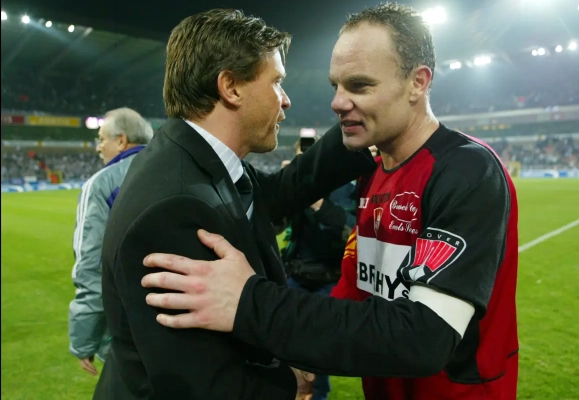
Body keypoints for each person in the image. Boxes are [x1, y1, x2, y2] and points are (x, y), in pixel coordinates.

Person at [139, 3, 520, 400]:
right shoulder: (374, 168)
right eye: (335, 85)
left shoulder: (468, 171)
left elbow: (425, 339)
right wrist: (299, 358)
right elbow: (354, 288)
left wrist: (251, 302)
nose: (337, 102)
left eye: (359, 86)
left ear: (417, 83)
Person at [92, 9, 375, 400]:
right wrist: (287, 383)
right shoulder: (174, 206)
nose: (286, 100)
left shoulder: (193, 158)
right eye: (276, 82)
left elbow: (276, 194)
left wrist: (357, 131)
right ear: (231, 87)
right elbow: (196, 382)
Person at [68, 107, 153, 376]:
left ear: (121, 141)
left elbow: (92, 264)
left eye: (102, 139)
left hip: (130, 333)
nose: (98, 147)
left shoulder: (102, 184)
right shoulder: (179, 169)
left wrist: (84, 340)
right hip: (193, 327)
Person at [279, 137, 357, 400]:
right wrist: (283, 187)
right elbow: (273, 224)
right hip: (295, 277)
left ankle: (318, 394)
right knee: (285, 347)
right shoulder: (293, 186)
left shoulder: (345, 189)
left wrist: (317, 201)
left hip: (329, 280)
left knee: (317, 349)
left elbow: (351, 231)